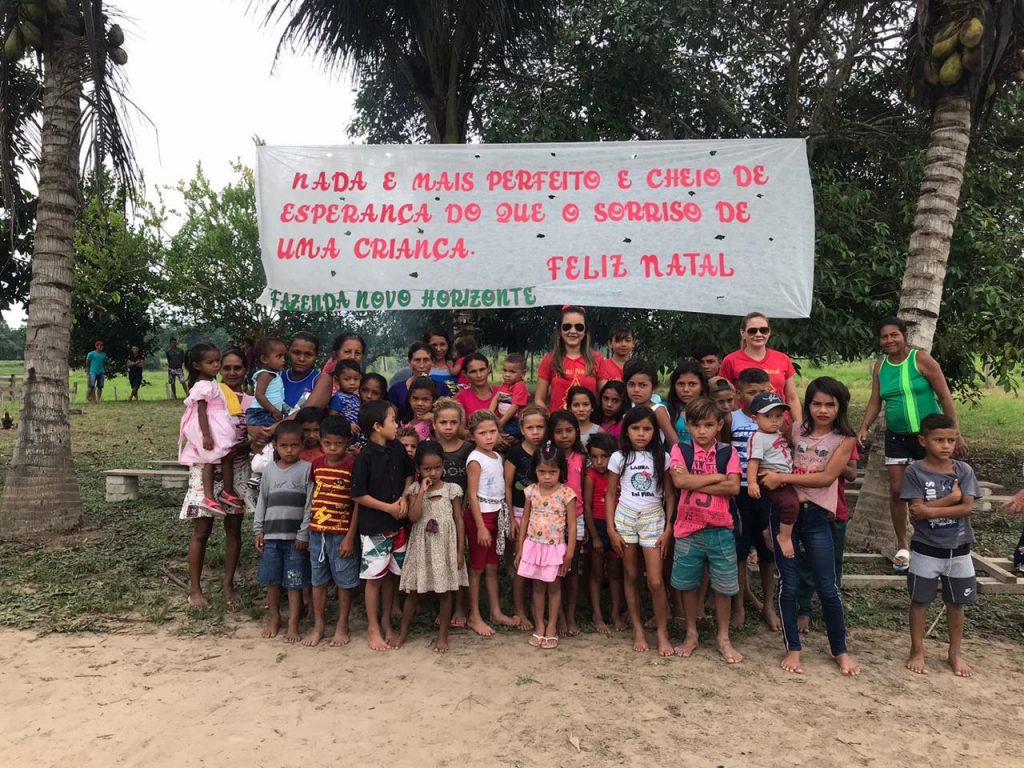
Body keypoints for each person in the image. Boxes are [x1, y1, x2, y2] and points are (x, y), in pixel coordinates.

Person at [759, 377, 860, 676]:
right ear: (807, 405)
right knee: (788, 584)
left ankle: (840, 651)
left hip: (817, 517)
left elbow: (826, 478)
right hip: (784, 516)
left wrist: (783, 478)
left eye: (830, 404)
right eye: (817, 403)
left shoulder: (845, 439)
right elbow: (773, 455)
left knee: (828, 587)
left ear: (840, 407)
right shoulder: (795, 430)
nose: (823, 410)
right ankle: (793, 649)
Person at [857, 317, 966, 572]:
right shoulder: (881, 366)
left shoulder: (921, 359)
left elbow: (944, 396)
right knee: (898, 490)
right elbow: (875, 400)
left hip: (928, 438)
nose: (889, 340)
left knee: (934, 489)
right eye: (884, 337)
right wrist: (864, 426)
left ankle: (935, 542)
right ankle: (903, 545)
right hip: (896, 437)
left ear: (904, 336)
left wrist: (955, 433)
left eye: (894, 335)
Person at [901, 413, 980, 677]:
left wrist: (931, 510)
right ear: (923, 441)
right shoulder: (914, 471)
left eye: (951, 440)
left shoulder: (963, 470)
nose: (946, 445)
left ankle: (955, 653)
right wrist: (951, 499)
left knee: (956, 604)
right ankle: (917, 650)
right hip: (925, 549)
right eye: (939, 440)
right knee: (920, 601)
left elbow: (967, 508)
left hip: (960, 550)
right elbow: (915, 512)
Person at [669, 397, 743, 662]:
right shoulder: (680, 450)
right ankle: (691, 633)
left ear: (719, 425)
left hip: (721, 529)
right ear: (687, 425)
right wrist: (716, 477)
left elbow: (733, 487)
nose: (702, 431)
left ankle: (723, 637)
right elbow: (679, 481)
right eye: (697, 425)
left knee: (724, 586)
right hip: (688, 529)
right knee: (687, 583)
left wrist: (694, 481)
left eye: (709, 425)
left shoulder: (727, 453)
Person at [606, 406, 675, 655]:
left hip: (653, 518)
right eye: (635, 428)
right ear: (626, 431)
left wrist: (668, 529)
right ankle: (638, 629)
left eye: (647, 429)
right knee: (631, 574)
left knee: (655, 580)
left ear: (655, 432)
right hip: (625, 519)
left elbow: (670, 495)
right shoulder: (618, 457)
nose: (641, 434)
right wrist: (611, 529)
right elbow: (610, 495)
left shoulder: (662, 457)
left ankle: (662, 632)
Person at [351, 401, 414, 652]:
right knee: (374, 578)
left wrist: (404, 497)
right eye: (392, 421)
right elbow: (358, 495)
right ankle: (373, 627)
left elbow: (409, 474)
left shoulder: (397, 447)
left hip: (398, 525)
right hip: (375, 528)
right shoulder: (364, 457)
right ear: (378, 426)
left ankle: (387, 621)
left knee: (390, 576)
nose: (397, 425)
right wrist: (388, 508)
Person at [396, 441, 468, 653]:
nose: (433, 473)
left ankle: (443, 635)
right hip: (422, 548)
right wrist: (421, 492)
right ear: (418, 469)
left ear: (443, 466)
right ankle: (403, 633)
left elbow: (459, 519)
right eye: (427, 469)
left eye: (437, 467)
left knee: (445, 593)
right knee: (413, 592)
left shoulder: (451, 490)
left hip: (445, 548)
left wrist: (460, 551)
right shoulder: (414, 489)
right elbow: (413, 517)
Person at [253, 421, 312, 643]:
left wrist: (303, 533)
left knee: (294, 582)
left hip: (295, 539)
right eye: (284, 446)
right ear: (275, 446)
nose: (289, 450)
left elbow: (310, 505)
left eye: (294, 445)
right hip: (271, 536)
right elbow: (262, 501)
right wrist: (258, 529)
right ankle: (274, 617)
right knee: (272, 581)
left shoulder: (307, 469)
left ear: (302, 445)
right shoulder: (269, 471)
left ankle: (293, 623)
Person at [731, 367, 780, 630]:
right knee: (740, 549)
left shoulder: (777, 419)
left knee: (767, 549)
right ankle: (739, 605)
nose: (758, 396)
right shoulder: (731, 419)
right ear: (739, 394)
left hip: (768, 490)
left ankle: (769, 605)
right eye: (751, 392)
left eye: (763, 391)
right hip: (739, 492)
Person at [516, 441, 577, 649]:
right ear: (535, 471)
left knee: (554, 587)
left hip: (555, 549)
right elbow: (525, 519)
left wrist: (570, 553)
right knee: (538, 586)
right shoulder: (531, 491)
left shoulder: (566, 494)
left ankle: (552, 626)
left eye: (552, 472)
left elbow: (572, 525)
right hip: (533, 546)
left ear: (561, 471)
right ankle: (539, 625)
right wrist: (520, 548)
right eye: (542, 471)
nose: (547, 477)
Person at [304, 416, 358, 648]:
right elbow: (311, 499)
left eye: (338, 443)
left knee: (344, 582)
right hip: (317, 533)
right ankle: (319, 625)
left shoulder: (353, 465)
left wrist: (350, 537)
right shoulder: (316, 464)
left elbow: (357, 503)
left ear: (347, 442)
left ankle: (342, 624)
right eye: (327, 443)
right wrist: (307, 531)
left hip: (342, 534)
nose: (333, 448)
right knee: (318, 581)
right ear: (321, 441)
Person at [465, 409, 517, 636]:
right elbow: (472, 494)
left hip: (496, 514)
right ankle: (474, 616)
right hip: (481, 517)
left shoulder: (497, 456)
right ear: (473, 435)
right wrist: (480, 527)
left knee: (492, 566)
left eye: (492, 432)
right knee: (477, 568)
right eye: (482, 433)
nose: (488, 437)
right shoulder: (475, 459)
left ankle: (496, 612)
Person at [178, 343, 242, 517]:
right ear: (197, 365)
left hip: (218, 423)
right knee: (210, 460)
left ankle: (227, 490)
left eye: (217, 361)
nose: (216, 365)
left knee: (226, 454)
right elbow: (201, 411)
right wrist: (206, 435)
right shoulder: (202, 385)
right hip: (209, 427)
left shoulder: (211, 381)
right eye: (210, 362)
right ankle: (208, 497)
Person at [504, 404, 548, 631]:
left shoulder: (549, 452)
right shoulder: (514, 453)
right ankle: (520, 611)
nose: (535, 432)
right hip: (520, 513)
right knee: (521, 563)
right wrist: (511, 518)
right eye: (530, 427)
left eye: (540, 427)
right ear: (522, 429)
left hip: (545, 517)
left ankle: (536, 607)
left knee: (540, 564)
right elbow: (507, 486)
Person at [746, 392, 801, 559]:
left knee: (797, 501)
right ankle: (783, 537)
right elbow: (753, 461)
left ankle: (769, 530)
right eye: (768, 416)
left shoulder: (778, 434)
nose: (774, 420)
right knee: (791, 504)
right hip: (769, 478)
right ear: (755, 419)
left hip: (784, 478)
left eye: (778, 416)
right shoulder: (758, 437)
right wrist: (752, 483)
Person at [545, 410, 586, 636]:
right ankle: (558, 616)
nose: (564, 436)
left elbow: (584, 492)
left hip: (576, 518)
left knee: (572, 568)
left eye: (569, 430)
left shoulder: (581, 458)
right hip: (551, 520)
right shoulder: (548, 458)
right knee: (554, 570)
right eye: (558, 431)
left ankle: (570, 615)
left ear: (577, 432)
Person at [719, 312, 802, 421]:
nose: (758, 334)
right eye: (752, 331)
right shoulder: (730, 361)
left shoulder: (783, 359)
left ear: (769, 332)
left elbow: (792, 398)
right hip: (743, 425)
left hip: (779, 424)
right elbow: (723, 396)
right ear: (743, 333)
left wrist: (798, 425)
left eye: (763, 330)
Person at [583, 431, 625, 634]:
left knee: (616, 574)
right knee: (597, 574)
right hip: (598, 527)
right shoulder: (590, 476)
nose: (599, 462)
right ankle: (597, 615)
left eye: (604, 456)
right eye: (594, 457)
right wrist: (595, 536)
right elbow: (587, 507)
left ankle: (616, 612)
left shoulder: (619, 475)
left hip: (618, 527)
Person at [534, 305, 605, 411]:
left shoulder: (597, 359)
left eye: (579, 327)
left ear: (585, 331)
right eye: (567, 326)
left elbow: (605, 397)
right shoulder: (549, 359)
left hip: (588, 421)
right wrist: (551, 418)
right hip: (558, 421)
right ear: (560, 330)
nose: (573, 331)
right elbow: (539, 400)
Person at [624, 359, 678, 448]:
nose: (636, 390)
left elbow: (674, 443)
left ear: (654, 388)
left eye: (643, 385)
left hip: (654, 455)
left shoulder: (658, 410)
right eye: (631, 384)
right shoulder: (628, 410)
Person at [245, 338, 287, 431]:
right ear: (264, 359)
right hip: (261, 412)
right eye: (279, 356)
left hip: (267, 412)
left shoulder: (273, 375)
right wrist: (274, 411)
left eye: (284, 356)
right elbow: (259, 395)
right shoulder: (265, 375)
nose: (283, 360)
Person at [387, 342, 434, 422]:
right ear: (409, 362)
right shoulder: (396, 390)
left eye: (426, 360)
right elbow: (391, 421)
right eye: (417, 360)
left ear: (432, 362)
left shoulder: (441, 388)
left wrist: (435, 417)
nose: (422, 365)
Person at [666, 361, 710, 445]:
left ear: (702, 386)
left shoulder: (712, 410)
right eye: (681, 384)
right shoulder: (664, 408)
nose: (686, 389)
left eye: (692, 384)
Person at [490, 352, 530, 439]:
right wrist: (490, 414)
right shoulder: (505, 385)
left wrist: (501, 423)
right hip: (503, 419)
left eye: (512, 372)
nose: (507, 375)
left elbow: (514, 407)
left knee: (509, 439)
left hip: (514, 422)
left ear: (523, 374)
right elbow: (496, 399)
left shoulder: (519, 386)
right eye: (505, 370)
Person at [456, 353, 496, 420]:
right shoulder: (461, 398)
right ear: (465, 374)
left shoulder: (501, 392)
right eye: (473, 371)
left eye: (482, 370)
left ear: (489, 369)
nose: (479, 375)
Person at [424, 327, 460, 398]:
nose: (438, 349)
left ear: (448, 345)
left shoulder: (456, 367)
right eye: (434, 345)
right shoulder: (423, 368)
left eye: (442, 344)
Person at [328, 359, 363, 432]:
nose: (352, 383)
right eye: (347, 379)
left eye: (356, 379)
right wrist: (347, 425)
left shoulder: (356, 397)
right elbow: (333, 415)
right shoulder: (339, 397)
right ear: (337, 380)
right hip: (343, 431)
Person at [404, 376, 437, 442]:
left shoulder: (434, 422)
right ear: (409, 399)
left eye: (425, 399)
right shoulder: (405, 422)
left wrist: (434, 419)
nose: (419, 403)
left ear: (433, 401)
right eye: (415, 398)